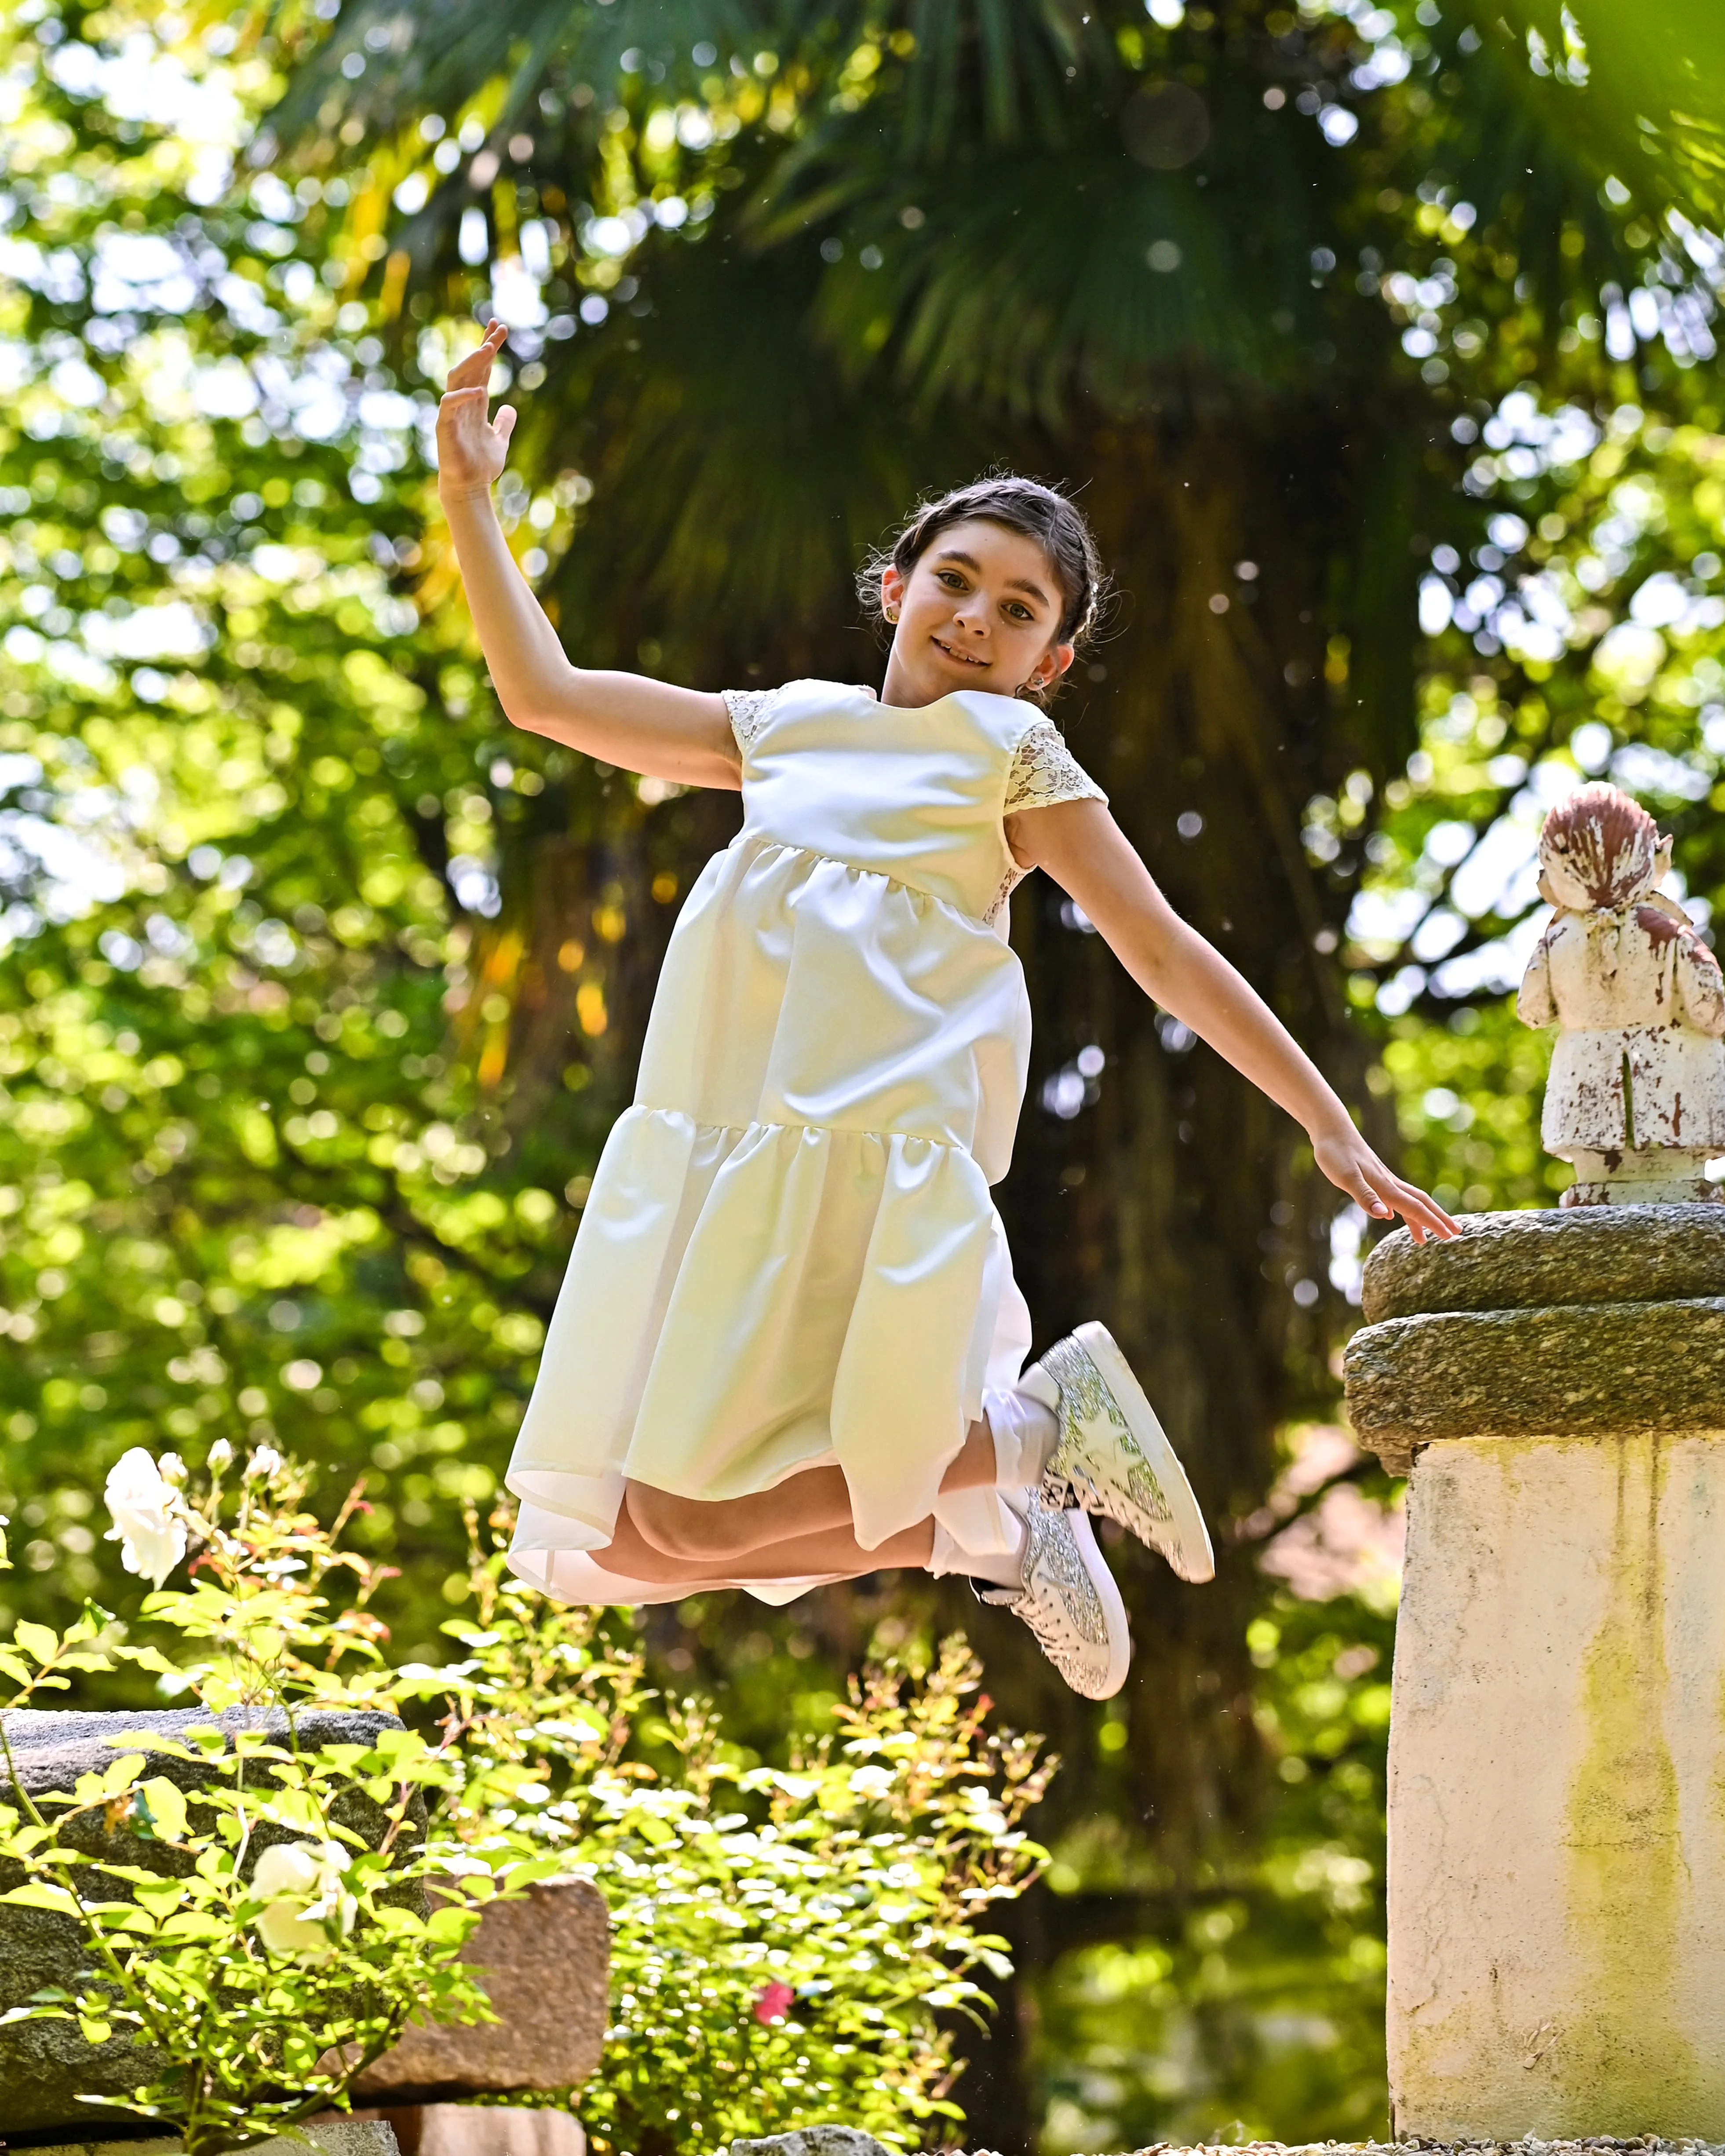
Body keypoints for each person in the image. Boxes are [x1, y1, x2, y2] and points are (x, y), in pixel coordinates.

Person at [435, 320, 1457, 1700]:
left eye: (1021, 610)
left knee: (677, 1518)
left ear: (1051, 663)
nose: (977, 616)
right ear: (895, 587)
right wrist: (471, 501)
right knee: (628, 1533)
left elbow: (1162, 949)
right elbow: (544, 695)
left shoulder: (1009, 754)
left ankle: (1032, 1437)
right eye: (956, 580)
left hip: (871, 1185)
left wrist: (1328, 1124)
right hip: (722, 1172)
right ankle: (1015, 1509)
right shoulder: (783, 729)